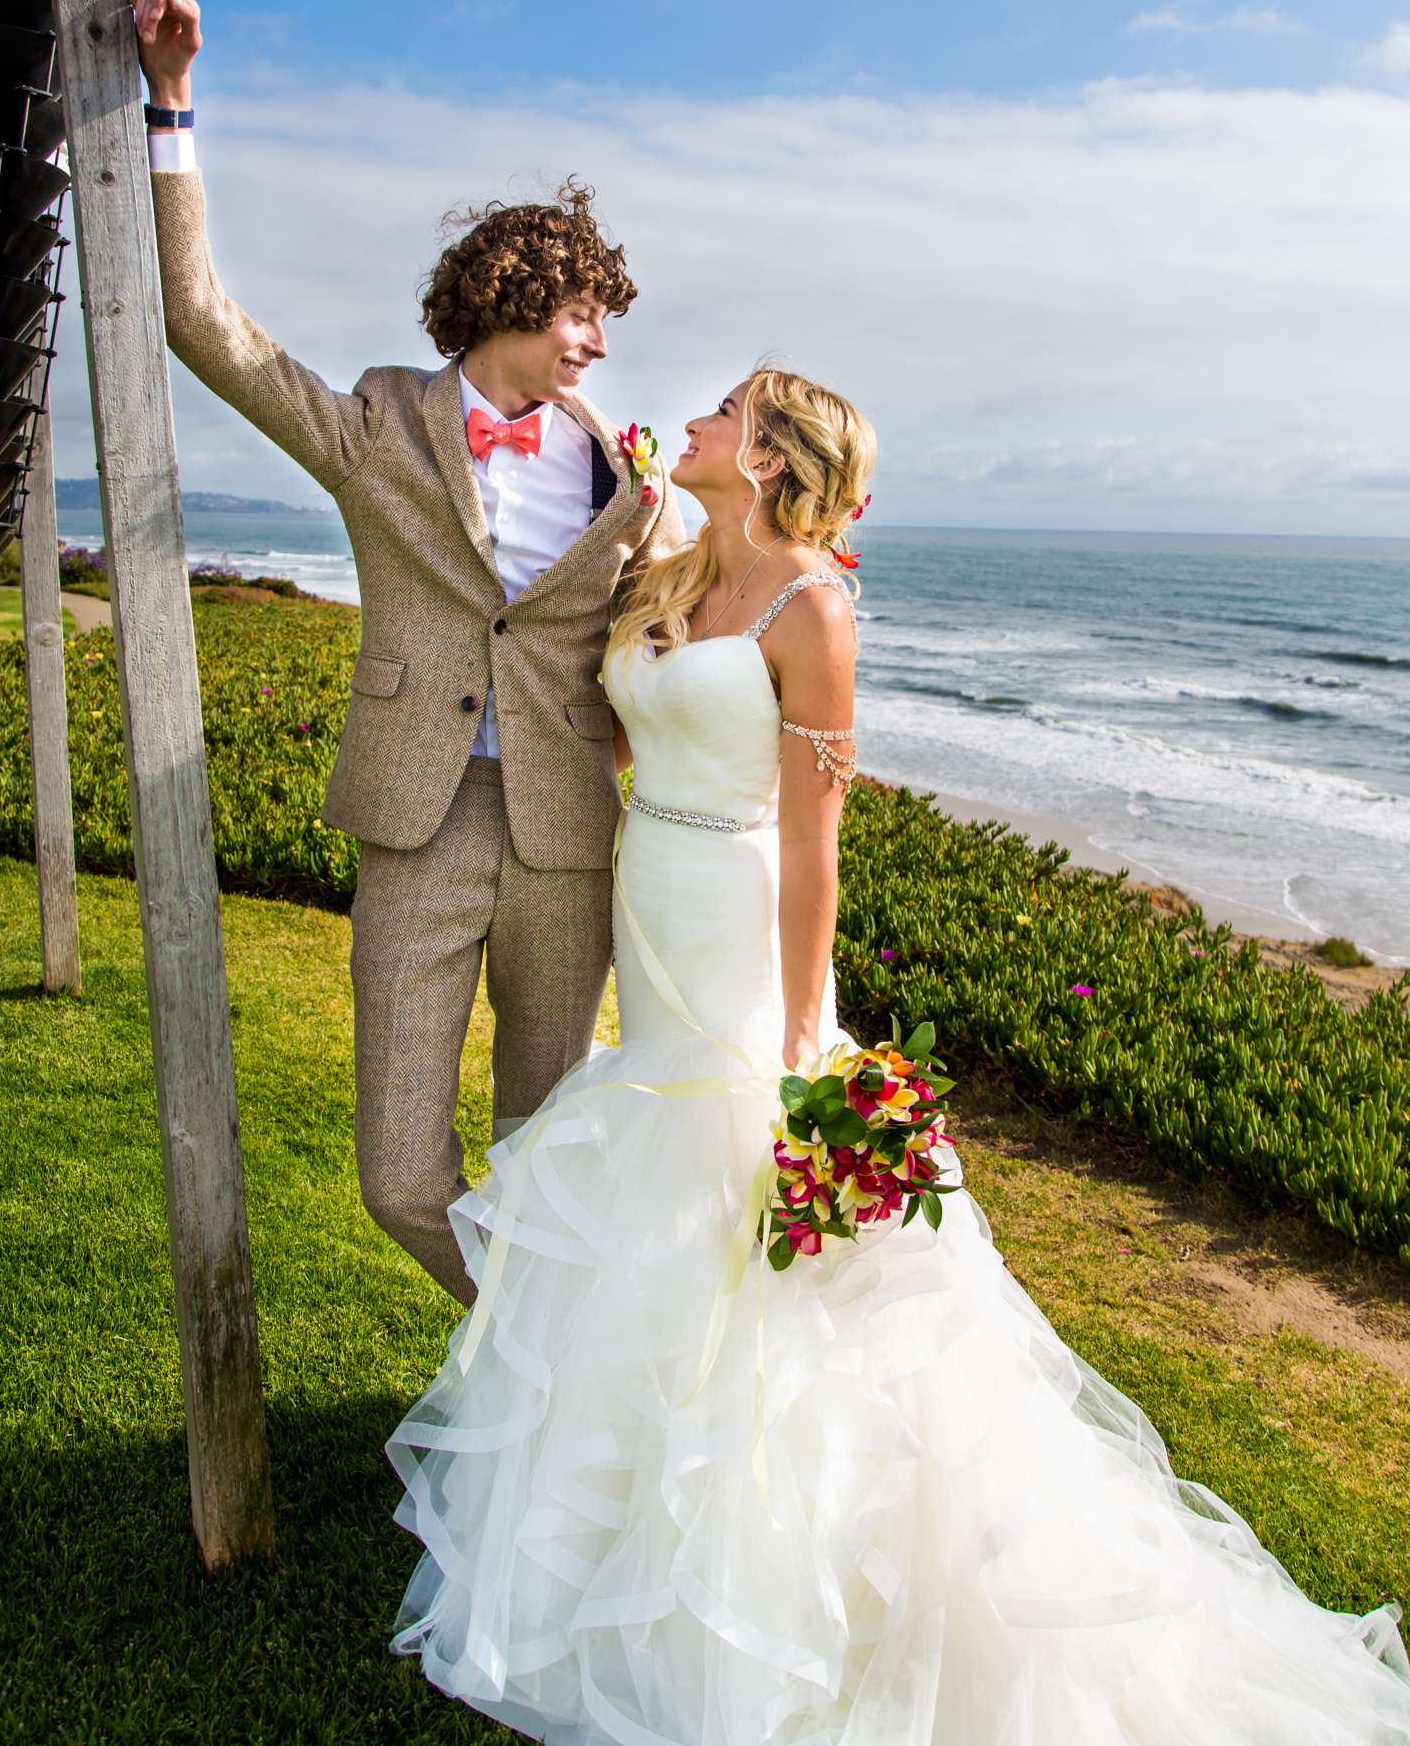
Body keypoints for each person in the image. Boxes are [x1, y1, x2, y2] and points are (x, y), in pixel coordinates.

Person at [385, 365, 1410, 1745]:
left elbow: (819, 842)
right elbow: (627, 720)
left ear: (768, 455)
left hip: (741, 927)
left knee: (725, 1198)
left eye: (719, 412)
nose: (688, 420)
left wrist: (808, 1032)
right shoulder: (675, 568)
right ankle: (618, 1507)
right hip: (654, 896)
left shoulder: (816, 606)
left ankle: (758, 1550)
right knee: (661, 1202)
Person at [129, 0, 683, 1301]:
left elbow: (674, 634)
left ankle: (535, 1411)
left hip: (568, 838)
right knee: (398, 1176)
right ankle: (542, 1349)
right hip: (417, 829)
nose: (601, 344)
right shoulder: (377, 424)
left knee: (542, 1153)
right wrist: (171, 104)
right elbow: (202, 321)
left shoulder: (628, 473)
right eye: (583, 313)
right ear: (515, 294)